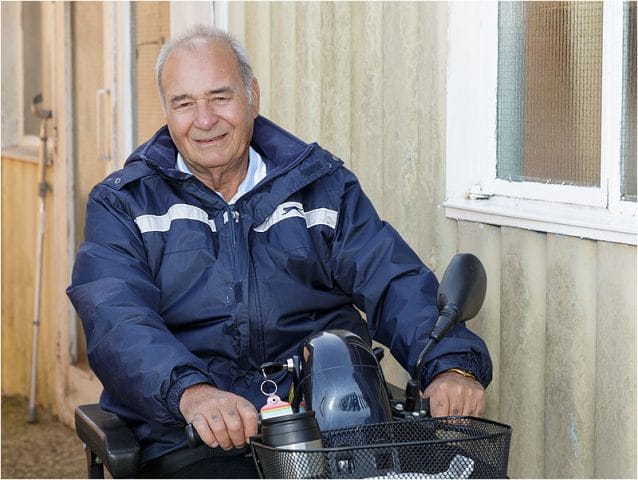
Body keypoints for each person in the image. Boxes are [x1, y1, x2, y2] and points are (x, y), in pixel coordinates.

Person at [67, 24, 492, 478]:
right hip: (196, 439)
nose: (204, 119)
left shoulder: (320, 186)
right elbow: (118, 320)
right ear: (167, 112)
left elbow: (393, 279)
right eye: (184, 103)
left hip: (333, 425)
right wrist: (191, 393)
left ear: (252, 95)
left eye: (220, 96)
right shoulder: (123, 203)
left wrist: (451, 366)